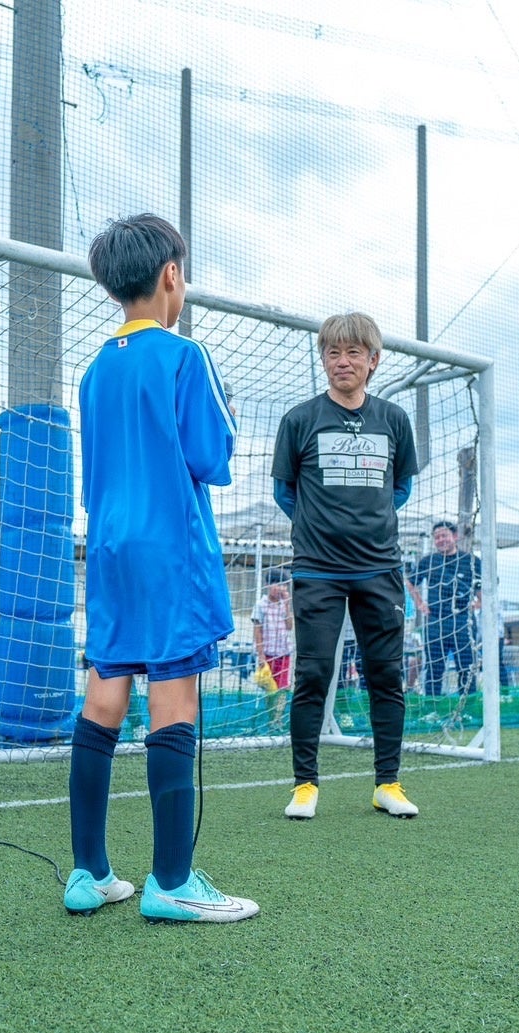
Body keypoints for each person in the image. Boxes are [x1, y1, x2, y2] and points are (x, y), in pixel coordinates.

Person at [65, 214, 257, 923]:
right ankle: (172, 881)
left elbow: (94, 475)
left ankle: (89, 874)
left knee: (104, 698)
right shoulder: (184, 355)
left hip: (110, 546)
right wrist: (227, 416)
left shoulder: (93, 369)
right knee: (174, 702)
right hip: (169, 547)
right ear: (171, 274)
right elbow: (213, 457)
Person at [273, 311, 421, 821]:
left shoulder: (394, 420)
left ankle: (388, 783)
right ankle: (305, 785)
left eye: (353, 352)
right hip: (317, 569)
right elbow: (284, 491)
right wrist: (322, 527)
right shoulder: (299, 419)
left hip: (380, 568)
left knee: (386, 675)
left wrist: (367, 524)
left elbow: (400, 488)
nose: (342, 361)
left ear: (373, 361)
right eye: (333, 353)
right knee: (313, 673)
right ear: (323, 359)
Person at [406, 521, 483, 701]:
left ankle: (467, 708)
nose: (441, 540)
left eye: (444, 535)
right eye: (437, 537)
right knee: (434, 668)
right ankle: (431, 708)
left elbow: (483, 589)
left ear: (454, 536)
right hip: (436, 621)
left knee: (466, 666)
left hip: (463, 620)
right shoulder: (428, 561)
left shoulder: (470, 561)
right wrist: (420, 603)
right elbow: (410, 582)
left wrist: (479, 603)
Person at [252, 566, 293, 731]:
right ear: (268, 585)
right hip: (268, 653)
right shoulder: (261, 605)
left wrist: (288, 606)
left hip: (284, 652)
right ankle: (271, 717)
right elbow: (257, 632)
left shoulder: (284, 604)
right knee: (270, 688)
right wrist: (261, 656)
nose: (280, 588)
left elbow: (290, 626)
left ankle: (278, 720)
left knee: (283, 687)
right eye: (276, 584)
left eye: (283, 584)